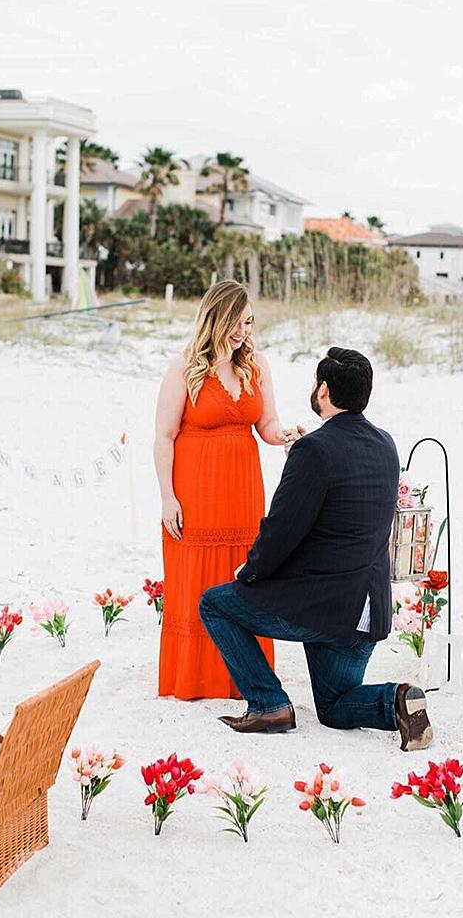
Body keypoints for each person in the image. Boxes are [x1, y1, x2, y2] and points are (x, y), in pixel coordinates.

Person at [199, 346, 433, 751]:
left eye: (314, 382)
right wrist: (304, 459)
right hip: (368, 612)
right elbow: (343, 501)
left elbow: (280, 531)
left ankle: (269, 704)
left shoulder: (315, 451)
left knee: (215, 603)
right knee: (335, 706)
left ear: (323, 390)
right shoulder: (385, 444)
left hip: (323, 606)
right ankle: (396, 699)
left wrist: (249, 573)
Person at [154, 281, 297, 699]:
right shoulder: (183, 367)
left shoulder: (257, 366)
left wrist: (284, 435)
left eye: (248, 323)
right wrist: (167, 496)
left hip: (243, 493)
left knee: (244, 575)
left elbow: (266, 425)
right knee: (196, 580)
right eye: (236, 323)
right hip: (197, 494)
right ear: (215, 318)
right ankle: (196, 678)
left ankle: (243, 677)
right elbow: (163, 436)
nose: (242, 332)